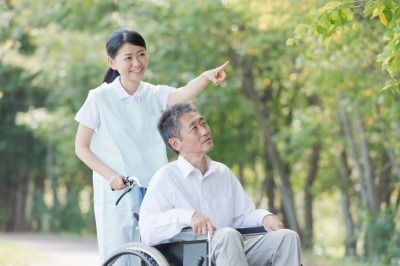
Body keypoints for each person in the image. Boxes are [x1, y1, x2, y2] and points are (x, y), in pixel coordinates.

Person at [74, 28, 229, 264]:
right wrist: (110, 176)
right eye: (128, 57)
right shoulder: (99, 98)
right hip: (118, 190)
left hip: (156, 188)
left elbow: (183, 94)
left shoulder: (154, 94)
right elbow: (81, 147)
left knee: (157, 254)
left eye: (141, 54)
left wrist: (206, 77)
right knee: (120, 254)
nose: (137, 62)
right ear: (112, 62)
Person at [139, 103, 302, 266]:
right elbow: (147, 231)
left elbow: (242, 216)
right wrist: (187, 216)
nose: (204, 131)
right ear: (176, 143)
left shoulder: (222, 172)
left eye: (203, 123)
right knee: (227, 235)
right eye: (194, 129)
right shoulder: (166, 177)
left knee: (287, 238)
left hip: (232, 250)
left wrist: (265, 217)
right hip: (189, 255)